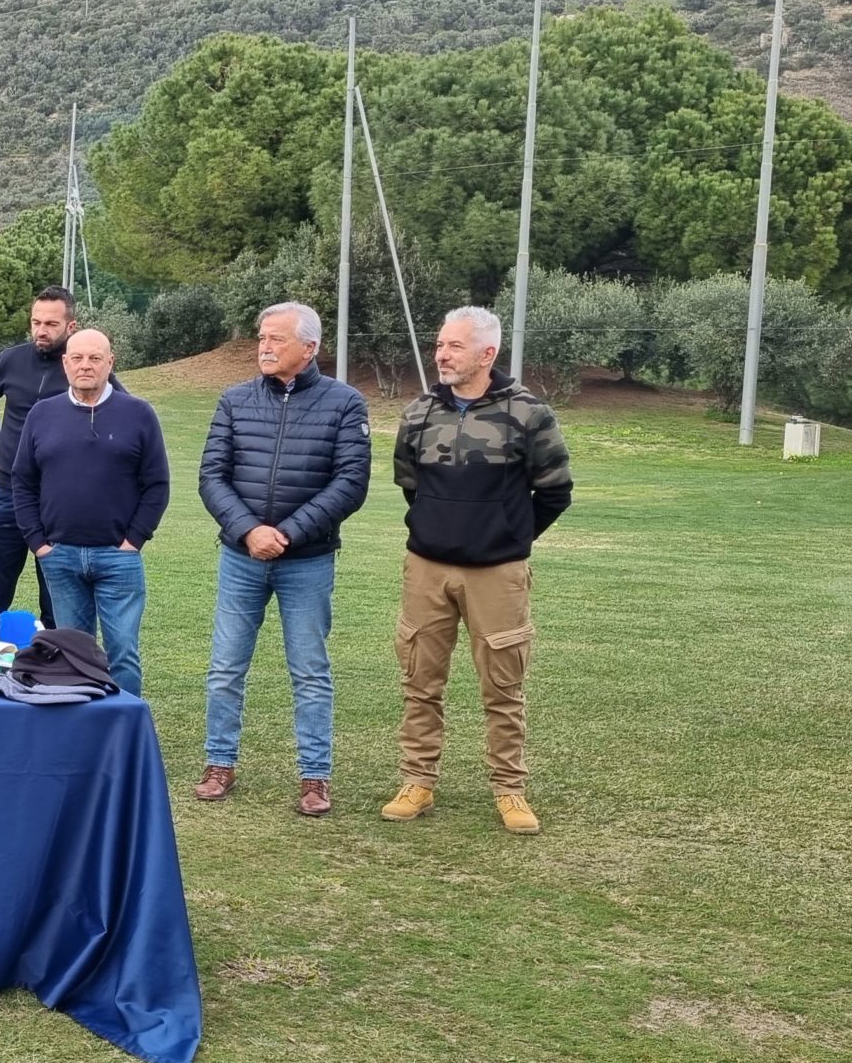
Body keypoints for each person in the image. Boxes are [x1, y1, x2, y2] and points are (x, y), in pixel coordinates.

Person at [380, 306, 573, 836]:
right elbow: (410, 484)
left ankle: (510, 789)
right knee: (420, 681)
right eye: (440, 344)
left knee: (503, 687)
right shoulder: (419, 412)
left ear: (488, 354)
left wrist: (506, 536)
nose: (441, 355)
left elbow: (555, 491)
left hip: (497, 575)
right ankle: (417, 782)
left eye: (455, 346)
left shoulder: (529, 413)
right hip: (427, 569)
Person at [191, 302, 370, 816]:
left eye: (276, 339)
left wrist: (286, 534)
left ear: (309, 348)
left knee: (310, 671)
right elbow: (212, 476)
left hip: (307, 561)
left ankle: (315, 777)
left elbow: (350, 484)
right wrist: (249, 531)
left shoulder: (345, 403)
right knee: (225, 668)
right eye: (262, 338)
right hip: (240, 557)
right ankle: (219, 764)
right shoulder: (235, 400)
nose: (265, 347)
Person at [12, 329, 168, 696]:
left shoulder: (138, 414)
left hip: (118, 557)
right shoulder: (42, 414)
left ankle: (123, 724)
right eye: (78, 358)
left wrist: (133, 541)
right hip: (60, 556)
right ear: (65, 363)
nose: (86, 365)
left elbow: (157, 484)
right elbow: (22, 481)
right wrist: (39, 544)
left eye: (95, 358)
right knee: (73, 655)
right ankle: (82, 722)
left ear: (110, 363)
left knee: (123, 653)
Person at [0, 287, 76, 635]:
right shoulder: (11, 360)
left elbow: (115, 410)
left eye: (51, 324)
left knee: (58, 598)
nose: (41, 331)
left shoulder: (80, 365)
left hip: (60, 497)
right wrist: (0, 449)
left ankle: (57, 659)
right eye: (36, 322)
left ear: (70, 326)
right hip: (10, 491)